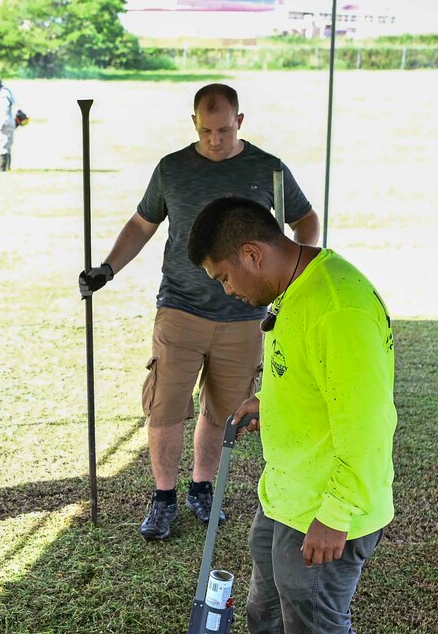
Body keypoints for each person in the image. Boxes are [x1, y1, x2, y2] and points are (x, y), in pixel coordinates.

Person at [186, 197, 403, 634]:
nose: (228, 290)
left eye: (226, 276)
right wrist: (269, 403)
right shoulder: (297, 290)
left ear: (253, 253)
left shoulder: (337, 306)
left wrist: (335, 515)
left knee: (316, 627)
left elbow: (366, 423)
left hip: (328, 509)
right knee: (270, 616)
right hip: (285, 495)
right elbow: (314, 384)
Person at [78, 82, 319, 540]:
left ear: (240, 122)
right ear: (194, 124)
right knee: (165, 406)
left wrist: (295, 273)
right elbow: (141, 224)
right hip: (180, 307)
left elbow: (304, 218)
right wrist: (107, 269)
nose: (215, 139)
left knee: (225, 411)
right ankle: (164, 496)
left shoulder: (268, 169)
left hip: (245, 314)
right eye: (206, 130)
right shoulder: (172, 169)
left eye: (224, 130)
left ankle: (202, 488)